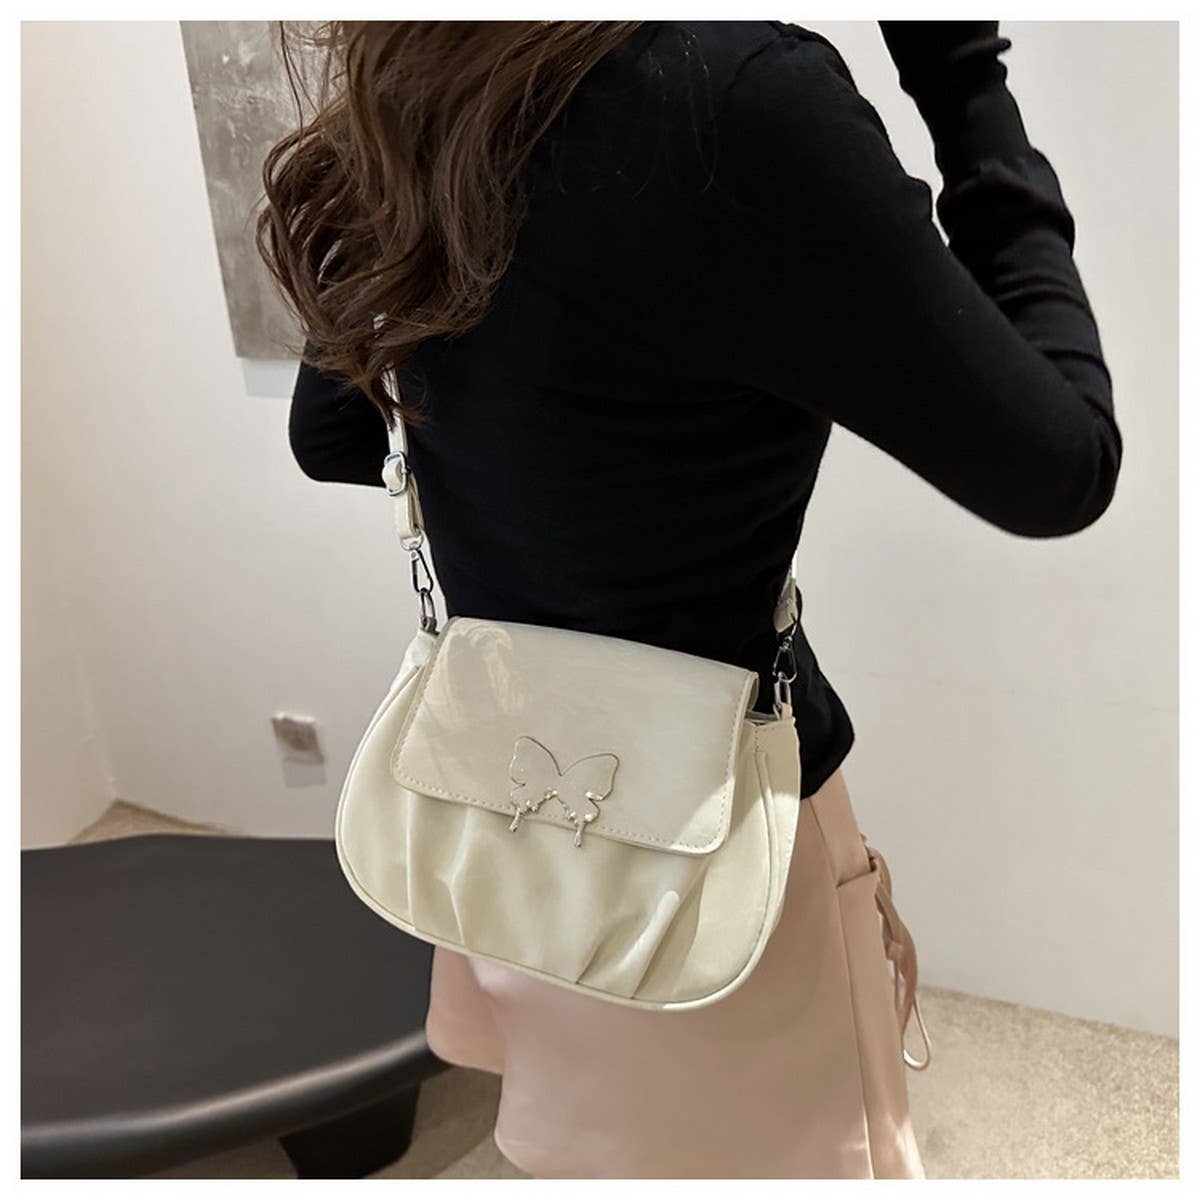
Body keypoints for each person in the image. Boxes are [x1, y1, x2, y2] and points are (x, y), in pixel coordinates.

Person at [261, 20, 1121, 1179]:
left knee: (590, 1149)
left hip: (494, 818)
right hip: (715, 850)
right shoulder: (741, 99)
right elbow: (1062, 466)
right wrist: (960, 72)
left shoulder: (430, 63)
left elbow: (329, 434)